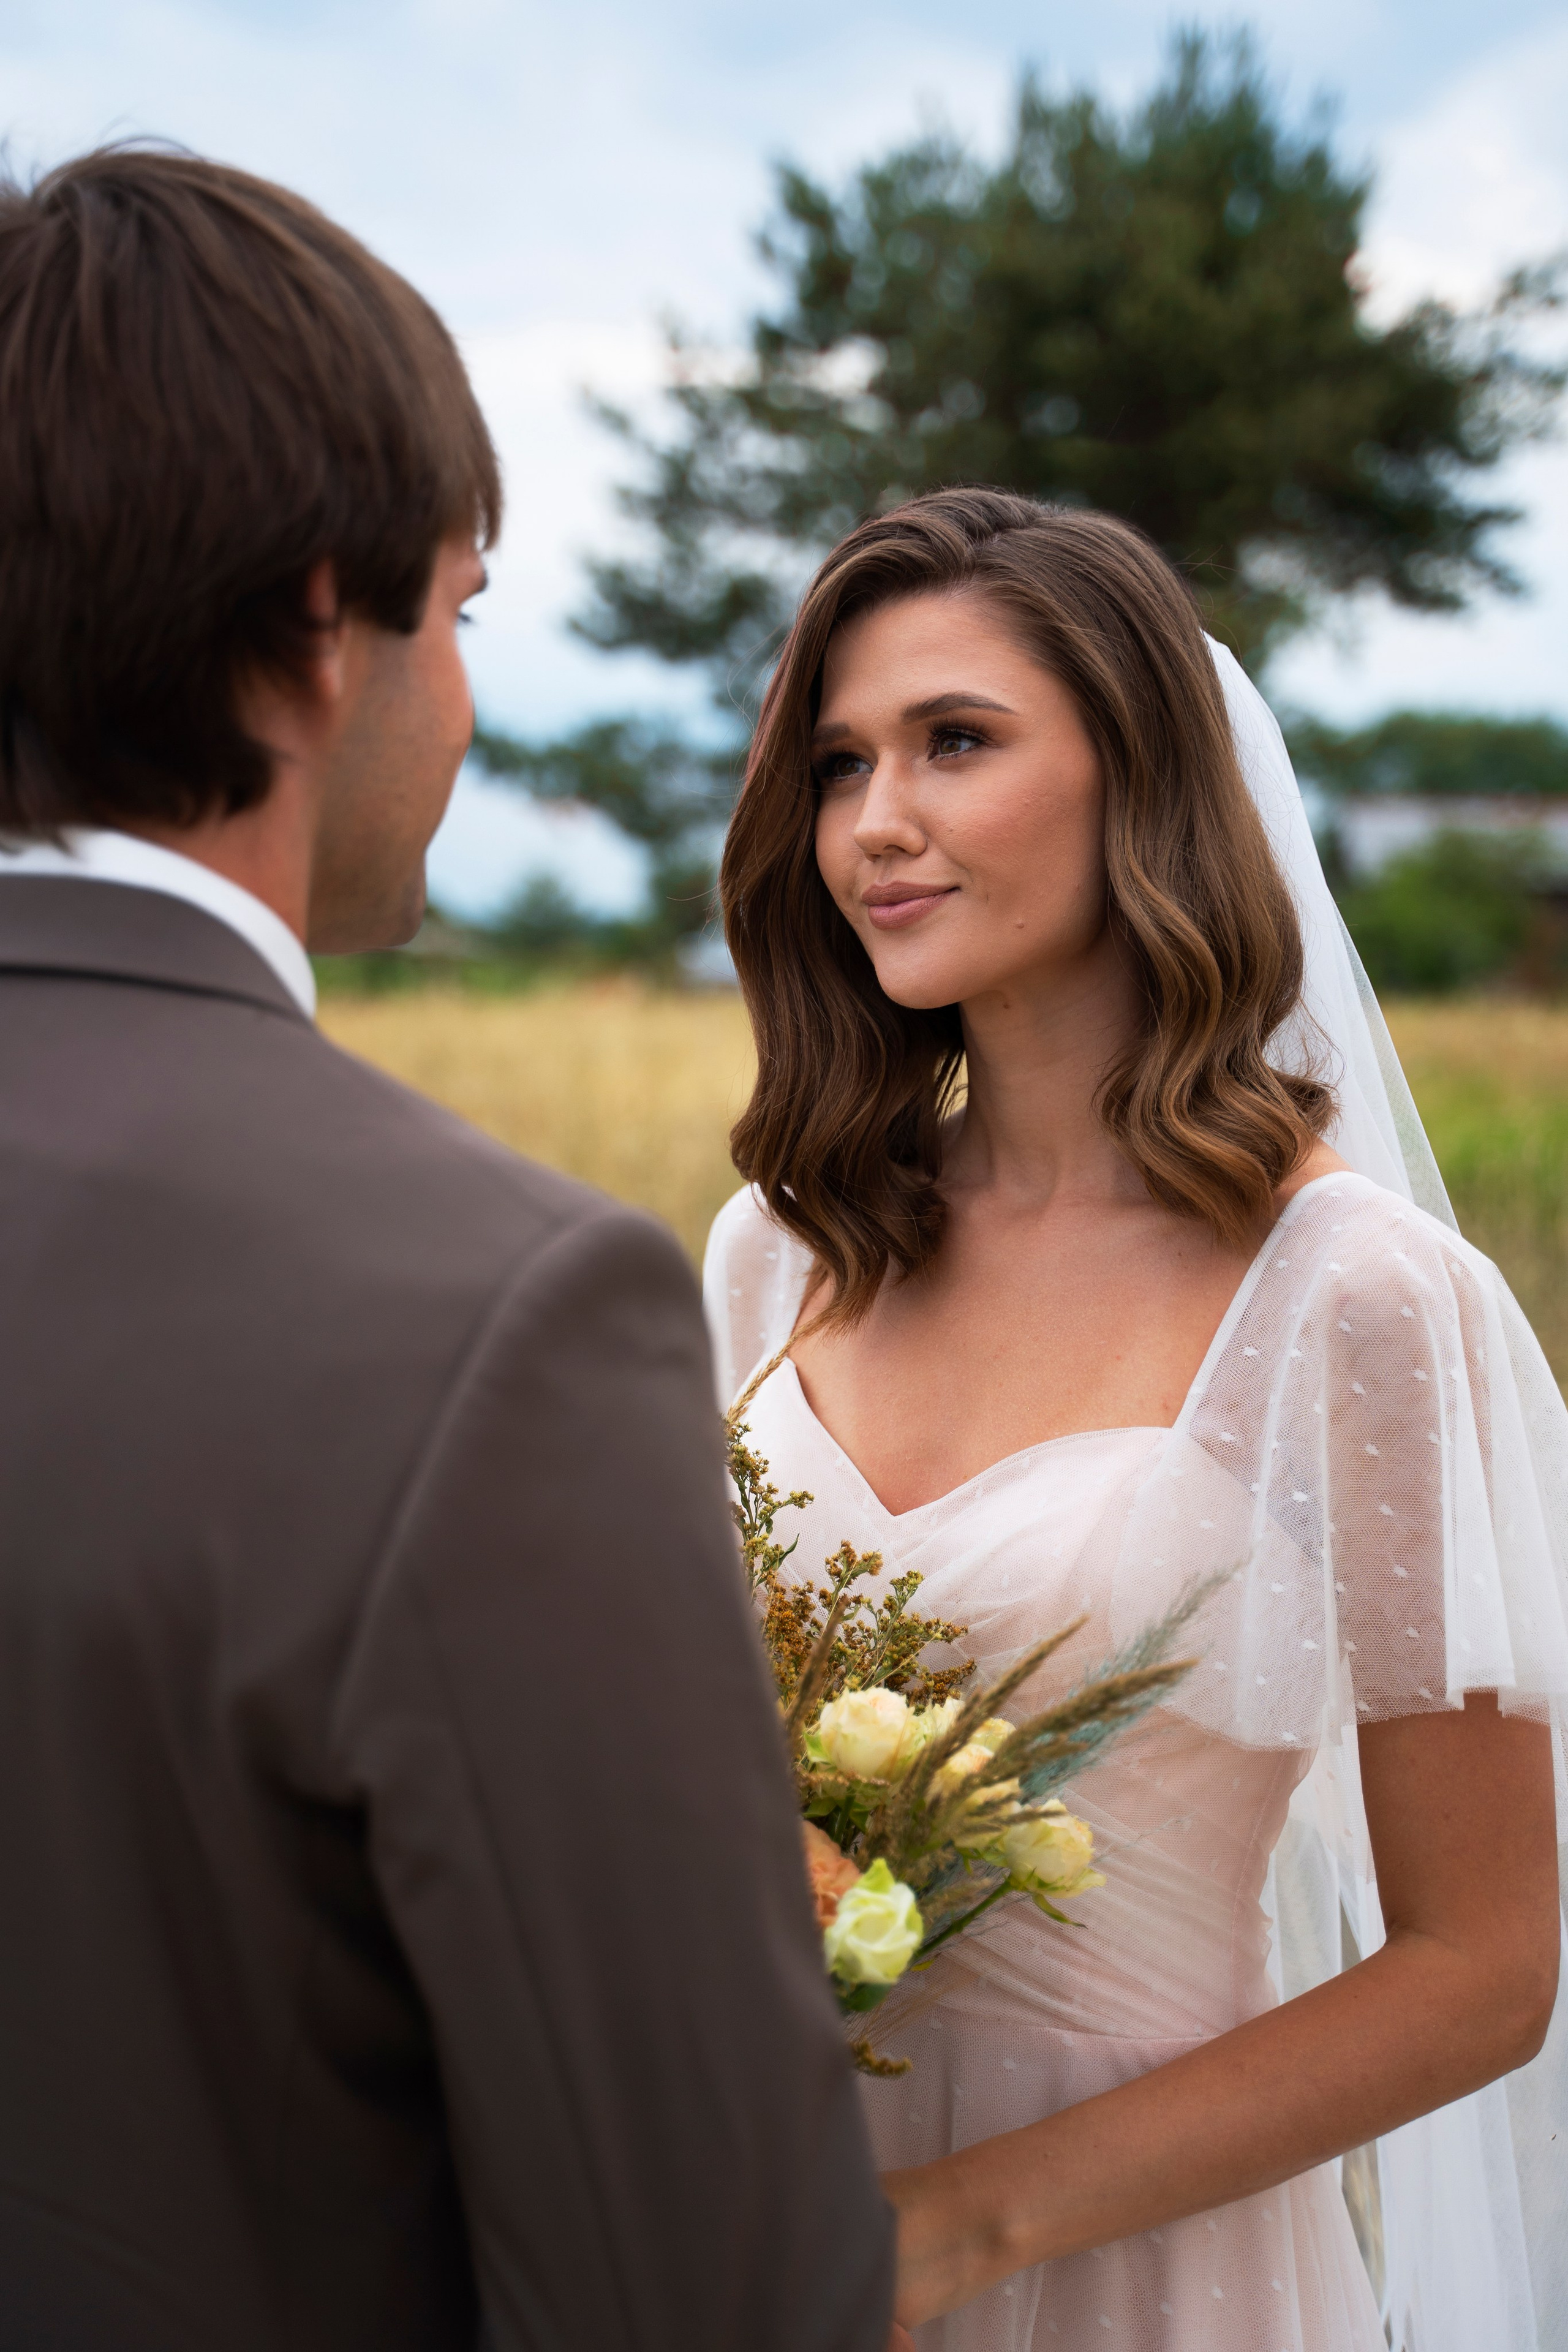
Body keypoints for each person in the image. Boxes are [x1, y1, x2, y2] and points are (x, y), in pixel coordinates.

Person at [0, 148, 896, 2352]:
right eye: (466, 611)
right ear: (324, 627)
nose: (468, 704)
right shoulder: (496, 1317)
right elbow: (709, 2293)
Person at [704, 489, 1568, 2351]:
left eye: (957, 743)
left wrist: (960, 2226)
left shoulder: (1352, 1300)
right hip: (764, 2224)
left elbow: (1483, 1968)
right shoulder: (773, 1255)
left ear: (1147, 785)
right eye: (839, 763)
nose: (875, 824)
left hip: (1139, 2268)